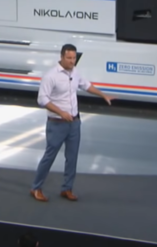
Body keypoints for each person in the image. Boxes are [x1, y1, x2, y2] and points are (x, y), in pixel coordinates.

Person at [30, 44, 113, 202]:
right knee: (50, 156)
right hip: (57, 124)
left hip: (74, 123)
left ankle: (67, 189)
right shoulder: (51, 75)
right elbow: (42, 99)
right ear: (61, 57)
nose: (72, 61)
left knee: (72, 157)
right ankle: (35, 188)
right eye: (69, 58)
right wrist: (61, 112)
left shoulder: (75, 72)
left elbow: (86, 85)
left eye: (74, 58)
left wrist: (103, 95)